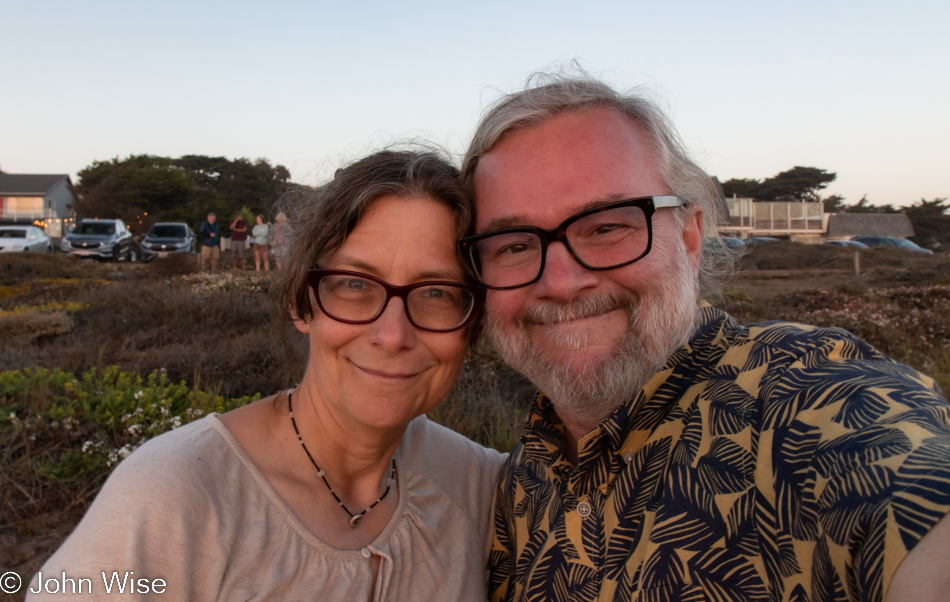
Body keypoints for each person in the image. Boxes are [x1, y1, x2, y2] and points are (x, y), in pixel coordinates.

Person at [461, 73, 950, 602]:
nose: (559, 283)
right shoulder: (515, 482)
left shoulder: (811, 402)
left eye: (606, 227)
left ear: (689, 236)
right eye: (512, 245)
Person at [29, 150, 503, 600]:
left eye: (437, 293)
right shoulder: (170, 497)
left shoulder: (481, 486)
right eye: (355, 285)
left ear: (474, 321)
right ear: (301, 301)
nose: (393, 334)